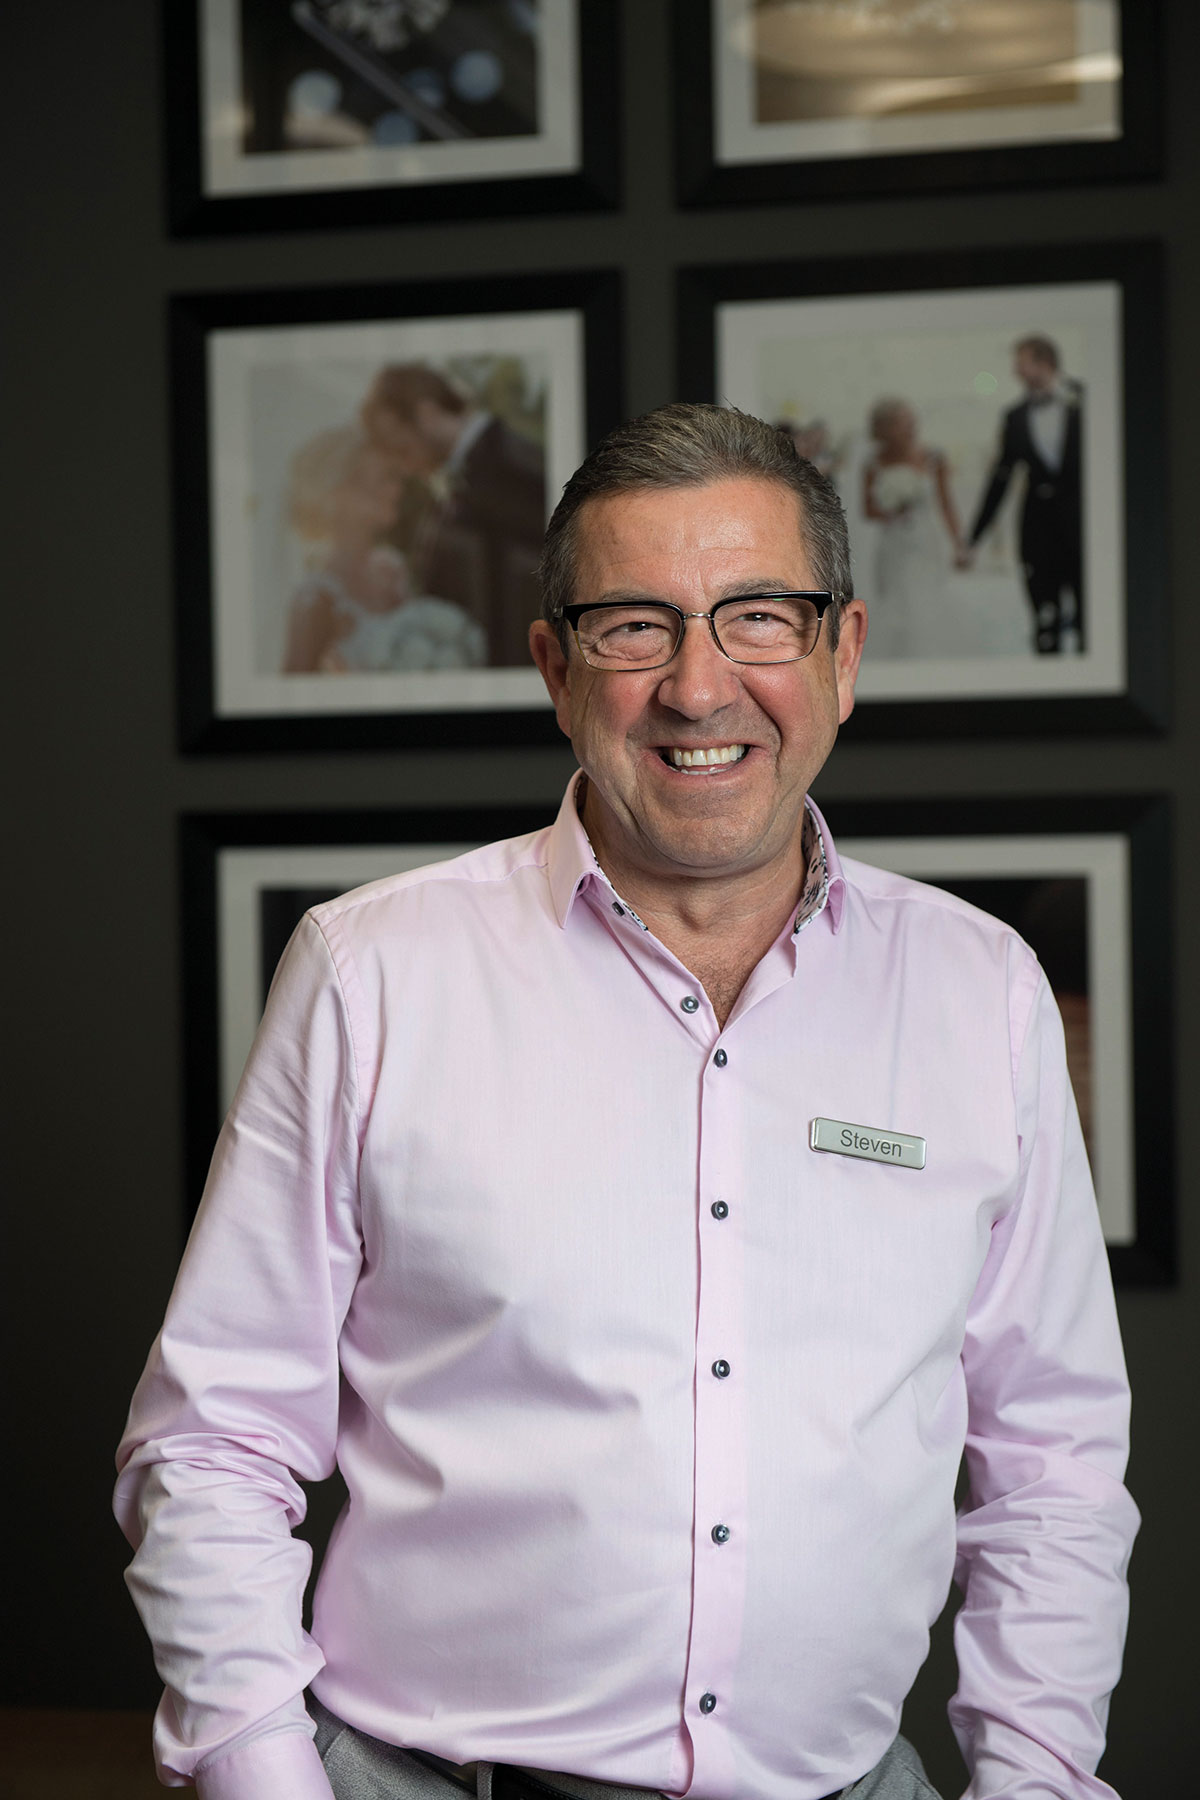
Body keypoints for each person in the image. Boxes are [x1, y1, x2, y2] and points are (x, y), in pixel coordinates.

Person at [116, 405, 1136, 1800]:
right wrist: (262, 1778)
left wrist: (1036, 1783)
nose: (700, 688)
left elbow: (1055, 1467)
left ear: (842, 654)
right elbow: (214, 1440)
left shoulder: (985, 993)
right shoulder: (371, 973)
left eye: (759, 617)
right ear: (556, 668)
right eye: (634, 627)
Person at [362, 362, 547, 667]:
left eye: (402, 448)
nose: (404, 466)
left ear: (427, 414)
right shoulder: (457, 479)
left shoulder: (514, 457)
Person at [281, 423, 486, 674]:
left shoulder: (391, 569)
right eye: (384, 478)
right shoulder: (315, 601)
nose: (396, 489)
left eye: (396, 478)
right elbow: (292, 692)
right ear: (341, 493)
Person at [966, 334, 1084, 655]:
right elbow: (1000, 480)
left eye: (1021, 363)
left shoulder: (1086, 399)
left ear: (1044, 362)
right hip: (1038, 530)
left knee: (1090, 617)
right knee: (1045, 618)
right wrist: (974, 537)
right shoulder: (1015, 417)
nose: (1015, 371)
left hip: (1084, 529)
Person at [861, 398, 964, 658]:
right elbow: (868, 510)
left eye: (911, 421)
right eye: (902, 422)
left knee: (926, 595)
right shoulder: (873, 463)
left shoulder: (934, 458)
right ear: (885, 428)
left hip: (924, 541)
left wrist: (959, 543)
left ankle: (929, 653)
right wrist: (893, 510)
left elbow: (947, 504)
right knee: (895, 598)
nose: (911, 427)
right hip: (892, 544)